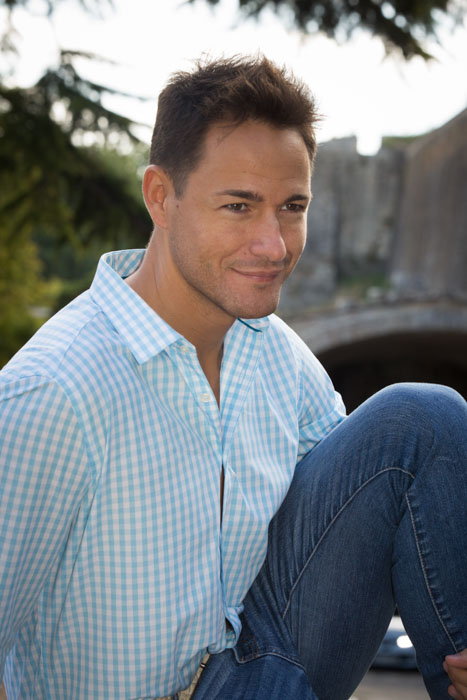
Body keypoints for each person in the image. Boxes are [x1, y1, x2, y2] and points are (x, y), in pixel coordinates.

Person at [0, 55, 466, 700]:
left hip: (256, 667)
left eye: (292, 207)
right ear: (160, 197)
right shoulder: (53, 392)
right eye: (239, 206)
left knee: (423, 420)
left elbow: (367, 511)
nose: (274, 245)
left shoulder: (277, 354)